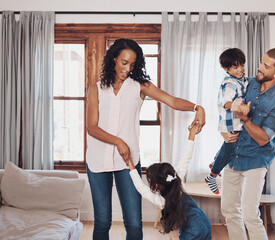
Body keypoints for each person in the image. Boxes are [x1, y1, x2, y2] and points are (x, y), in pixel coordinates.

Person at [85, 38, 206, 240]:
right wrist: (118, 141)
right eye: (124, 62)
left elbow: (171, 101)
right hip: (98, 160)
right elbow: (91, 128)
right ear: (113, 59)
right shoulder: (95, 89)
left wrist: (197, 107)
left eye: (132, 64)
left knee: (133, 224)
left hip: (128, 162)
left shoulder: (140, 86)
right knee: (102, 222)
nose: (128, 68)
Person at [220, 47, 275, 240]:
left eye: (266, 66)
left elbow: (263, 138)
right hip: (234, 153)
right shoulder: (248, 83)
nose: (259, 68)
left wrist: (245, 118)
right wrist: (225, 132)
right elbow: (226, 105)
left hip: (256, 157)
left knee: (250, 213)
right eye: (261, 62)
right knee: (228, 209)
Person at [125, 123, 212, 240]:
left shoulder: (161, 200)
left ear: (156, 184)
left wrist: (129, 162)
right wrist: (192, 134)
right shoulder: (178, 180)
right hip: (204, 221)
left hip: (192, 230)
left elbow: (141, 188)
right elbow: (186, 157)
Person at [205, 48, 250, 194]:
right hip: (232, 123)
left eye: (242, 65)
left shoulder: (241, 79)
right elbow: (226, 102)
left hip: (235, 122)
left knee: (227, 147)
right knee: (230, 149)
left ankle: (214, 163)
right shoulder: (230, 83)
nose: (241, 69)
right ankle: (212, 176)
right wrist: (238, 106)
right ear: (226, 69)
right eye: (236, 67)